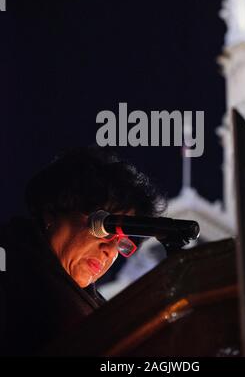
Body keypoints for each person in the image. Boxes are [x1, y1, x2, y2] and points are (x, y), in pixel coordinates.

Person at [0, 147, 165, 356]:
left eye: (122, 243)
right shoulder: (10, 273)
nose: (110, 251)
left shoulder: (103, 313)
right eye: (106, 228)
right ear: (53, 212)